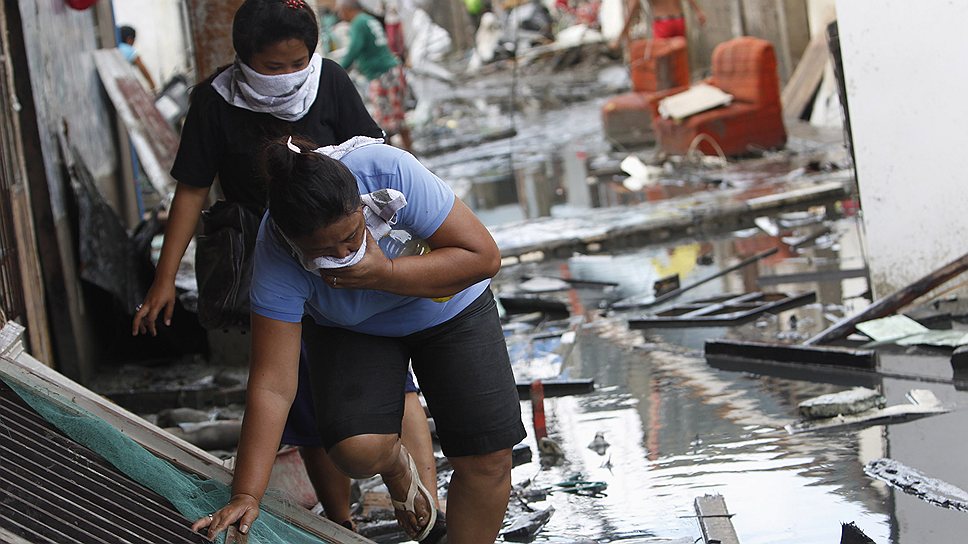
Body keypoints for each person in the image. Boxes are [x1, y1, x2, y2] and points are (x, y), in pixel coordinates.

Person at [130, 0, 438, 532]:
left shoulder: (332, 83)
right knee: (297, 395)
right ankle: (341, 525)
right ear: (243, 59)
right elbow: (191, 190)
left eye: (299, 63)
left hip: (347, 255)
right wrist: (163, 280)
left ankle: (427, 511)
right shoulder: (212, 102)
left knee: (393, 378)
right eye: (274, 67)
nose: (289, 76)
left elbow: (379, 168)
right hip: (271, 261)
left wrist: (387, 261)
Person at [191, 136, 526, 543]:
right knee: (356, 450)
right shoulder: (275, 254)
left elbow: (484, 257)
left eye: (351, 237)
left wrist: (384, 273)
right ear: (293, 241)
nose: (342, 254)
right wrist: (246, 493)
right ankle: (397, 466)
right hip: (352, 328)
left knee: (486, 457)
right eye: (322, 251)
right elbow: (273, 384)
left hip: (449, 307)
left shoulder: (388, 172)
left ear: (360, 207)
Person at [336, 0, 413, 151]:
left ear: (347, 9)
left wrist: (337, 69)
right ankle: (410, 153)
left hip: (382, 75)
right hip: (393, 71)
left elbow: (354, 49)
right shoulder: (368, 19)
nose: (339, 14)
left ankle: (392, 156)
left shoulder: (358, 23)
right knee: (397, 117)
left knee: (384, 122)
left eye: (340, 10)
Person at [612, 0, 707, 48]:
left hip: (662, 24)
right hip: (679, 20)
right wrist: (698, 11)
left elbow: (633, 9)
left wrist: (622, 35)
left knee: (662, 62)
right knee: (679, 60)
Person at [118, 25, 157, 92]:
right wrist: (152, 85)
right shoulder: (128, 50)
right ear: (129, 39)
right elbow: (142, 68)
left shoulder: (117, 48)